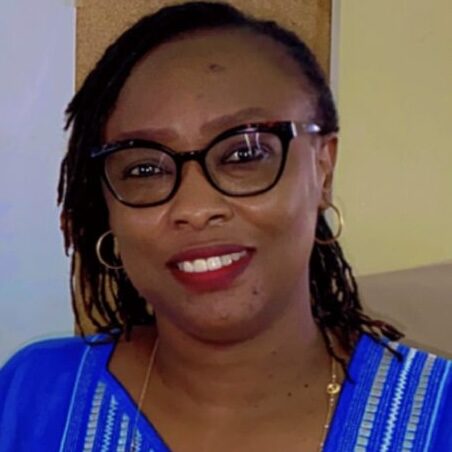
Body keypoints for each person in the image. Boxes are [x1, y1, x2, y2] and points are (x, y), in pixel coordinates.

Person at [0, 2, 451, 451]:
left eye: (244, 154)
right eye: (144, 169)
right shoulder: (32, 398)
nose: (195, 208)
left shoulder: (439, 416)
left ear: (323, 169)